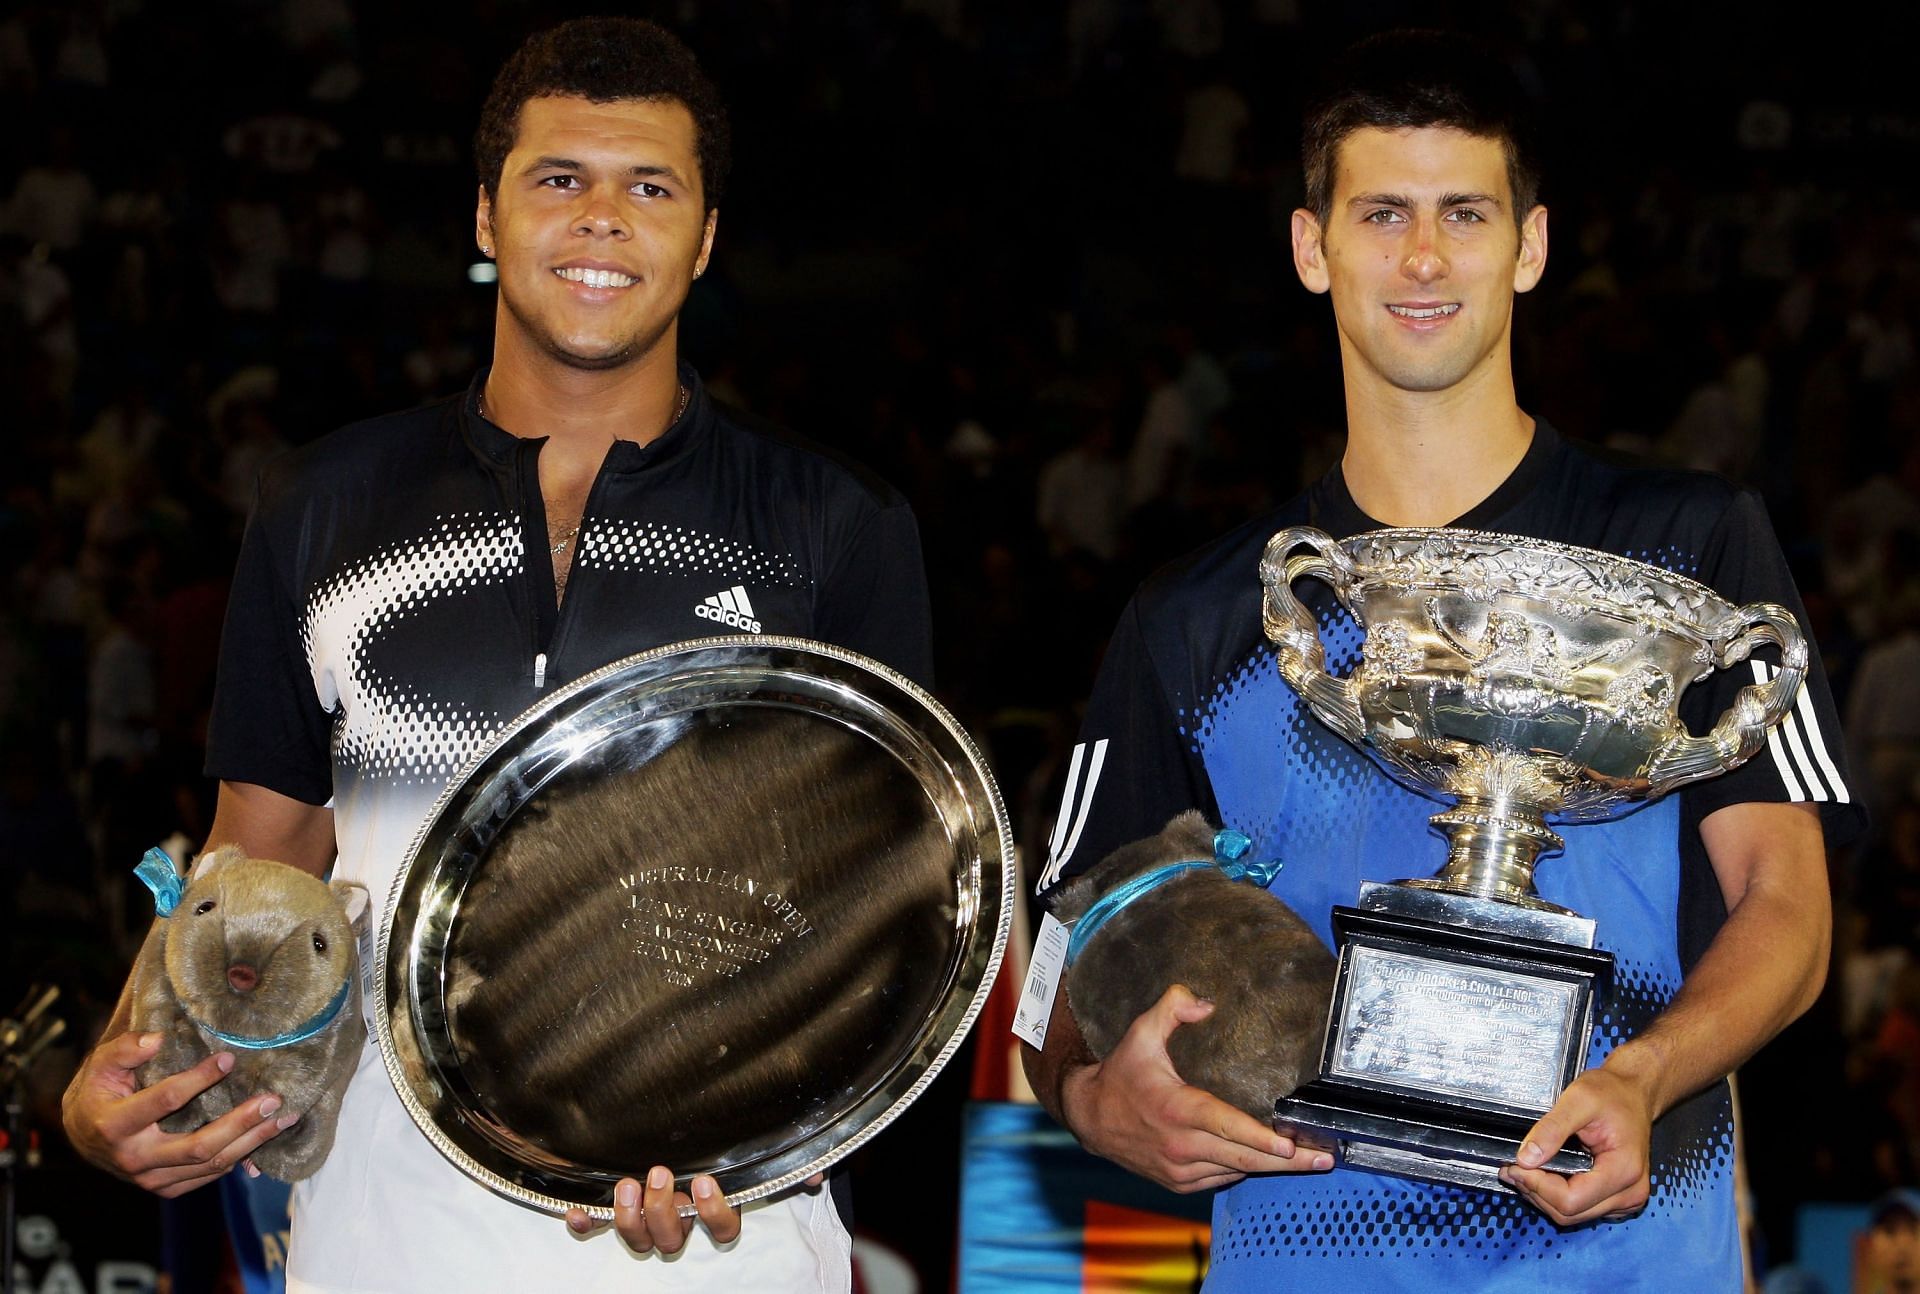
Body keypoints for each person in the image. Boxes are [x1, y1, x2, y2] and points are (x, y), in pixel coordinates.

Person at [61, 18, 931, 1292]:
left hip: (720, 1236)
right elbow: (261, 849)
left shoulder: (834, 526)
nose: (602, 221)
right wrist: (124, 1064)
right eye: (558, 180)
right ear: (486, 217)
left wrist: (758, 1117)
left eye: (650, 188)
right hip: (383, 1233)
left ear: (705, 236)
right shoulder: (322, 503)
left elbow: (880, 912)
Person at [1022, 30, 1860, 1292]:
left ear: (1529, 244)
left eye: (1464, 214)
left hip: (1624, 1256)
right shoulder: (1199, 612)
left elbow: (1786, 912)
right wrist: (1091, 1103)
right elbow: (1064, 960)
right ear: (1314, 248)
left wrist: (1647, 1070)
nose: (1423, 258)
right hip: (1302, 1260)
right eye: (1383, 214)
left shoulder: (1686, 549)